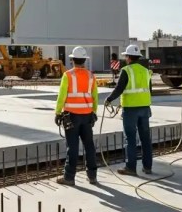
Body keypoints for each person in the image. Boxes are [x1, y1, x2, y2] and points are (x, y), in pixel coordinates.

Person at [104, 44, 153, 176]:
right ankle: (147, 167)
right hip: (144, 108)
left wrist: (109, 99)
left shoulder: (126, 70)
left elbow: (119, 89)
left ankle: (131, 167)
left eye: (126, 56)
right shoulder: (145, 71)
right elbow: (149, 90)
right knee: (145, 139)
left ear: (129, 57)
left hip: (131, 109)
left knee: (130, 138)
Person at [54, 46, 99, 186]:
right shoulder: (91, 76)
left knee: (72, 148)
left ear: (72, 60)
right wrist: (94, 112)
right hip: (87, 116)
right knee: (89, 146)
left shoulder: (67, 75)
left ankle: (69, 177)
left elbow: (62, 96)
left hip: (71, 116)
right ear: (85, 60)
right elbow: (95, 97)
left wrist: (57, 112)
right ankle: (92, 176)